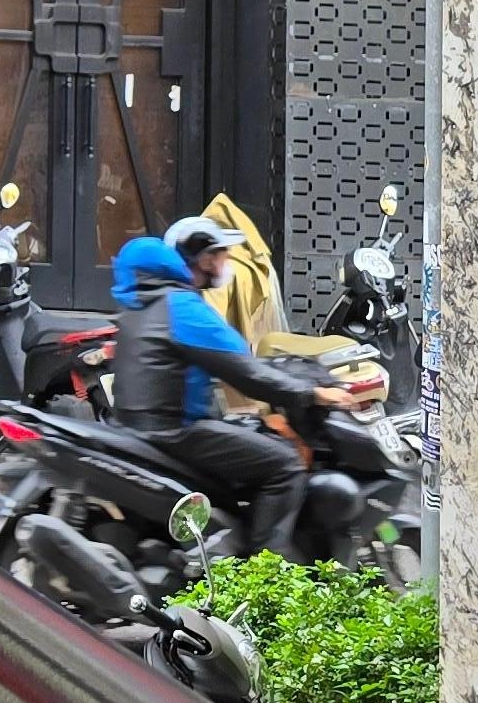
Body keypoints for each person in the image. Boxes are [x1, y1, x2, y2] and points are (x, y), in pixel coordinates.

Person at [108, 212, 372, 553]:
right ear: (205, 259)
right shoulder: (181, 307)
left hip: (138, 430)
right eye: (222, 254)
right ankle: (266, 571)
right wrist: (313, 393)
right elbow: (246, 372)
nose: (227, 262)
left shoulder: (141, 306)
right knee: (286, 464)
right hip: (177, 432)